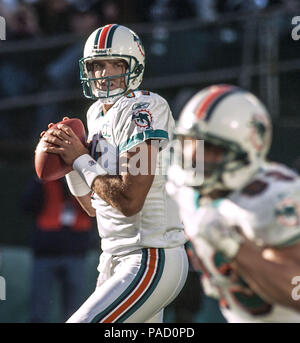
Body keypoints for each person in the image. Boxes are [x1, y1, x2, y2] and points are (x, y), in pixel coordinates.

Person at [40, 24, 188, 323]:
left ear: (134, 66)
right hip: (115, 257)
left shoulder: (144, 107)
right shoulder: (95, 114)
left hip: (149, 254)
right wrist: (67, 161)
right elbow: (93, 207)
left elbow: (129, 200)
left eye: (115, 64)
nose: (104, 73)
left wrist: (80, 158)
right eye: (96, 65)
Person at [167, 84, 300, 322]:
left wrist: (236, 249)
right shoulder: (182, 186)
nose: (197, 158)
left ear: (249, 148)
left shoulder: (275, 197)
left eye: (211, 148)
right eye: (192, 144)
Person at [21, 176, 94, 323]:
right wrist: (39, 180)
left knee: (74, 309)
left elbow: (95, 210)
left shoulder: (85, 179)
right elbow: (26, 206)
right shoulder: (44, 181)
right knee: (39, 306)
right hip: (46, 252)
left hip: (75, 252)